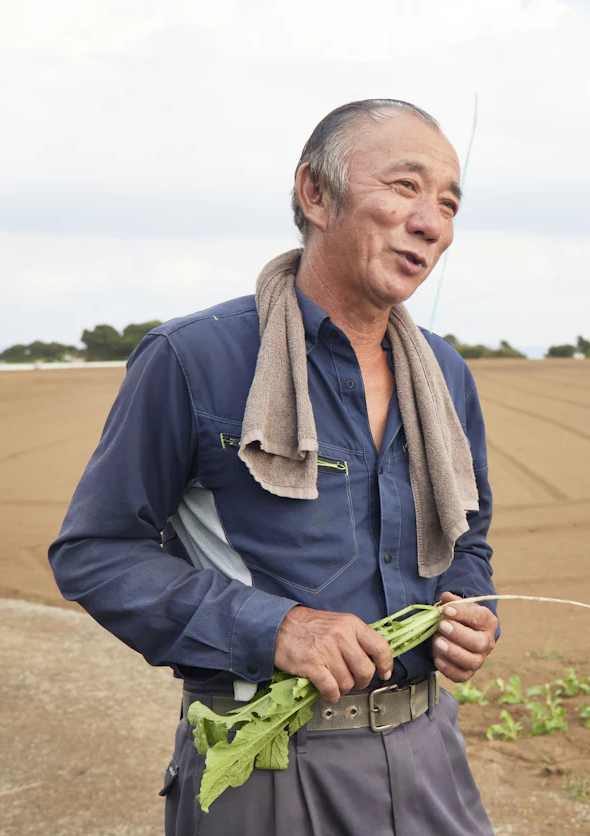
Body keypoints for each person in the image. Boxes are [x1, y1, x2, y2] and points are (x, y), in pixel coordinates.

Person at [49, 99, 500, 836]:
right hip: (266, 763)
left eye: (449, 204)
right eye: (406, 186)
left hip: (430, 754)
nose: (432, 223)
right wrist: (277, 627)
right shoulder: (194, 359)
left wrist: (473, 610)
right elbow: (95, 552)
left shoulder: (444, 374)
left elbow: (469, 540)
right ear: (315, 193)